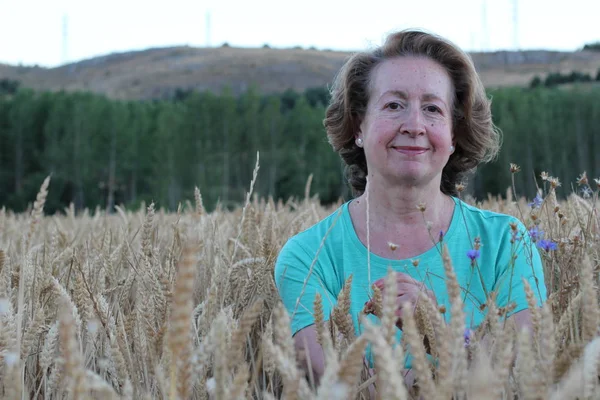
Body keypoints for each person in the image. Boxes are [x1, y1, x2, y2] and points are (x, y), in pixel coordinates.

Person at [273, 29, 547, 388]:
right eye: (393, 105)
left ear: (453, 134)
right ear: (358, 126)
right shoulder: (308, 257)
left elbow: (516, 375)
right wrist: (452, 349)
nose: (414, 126)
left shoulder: (506, 244)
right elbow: (343, 388)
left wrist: (434, 328)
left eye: (432, 109)